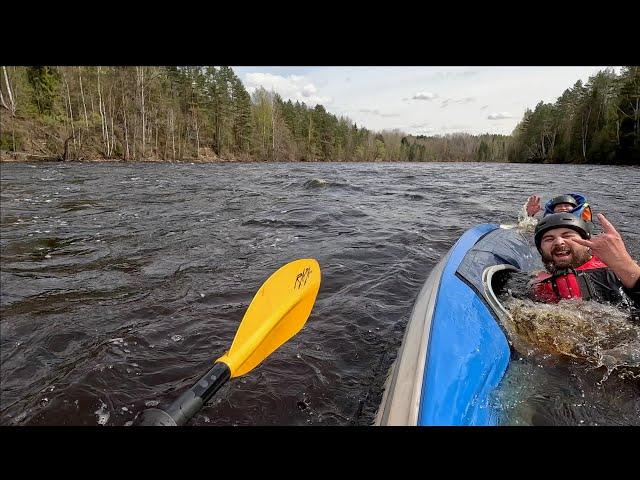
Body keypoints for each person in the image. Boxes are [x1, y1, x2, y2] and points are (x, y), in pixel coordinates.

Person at [530, 212, 640, 313]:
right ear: (541, 250)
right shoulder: (538, 283)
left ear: (587, 244)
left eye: (567, 236)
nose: (558, 242)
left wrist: (624, 264)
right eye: (548, 239)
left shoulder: (614, 272)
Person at [525, 193, 593, 222]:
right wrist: (530, 215)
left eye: (567, 206)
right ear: (553, 210)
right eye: (558, 206)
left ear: (574, 208)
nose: (563, 208)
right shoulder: (547, 220)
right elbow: (527, 230)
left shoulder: (582, 221)